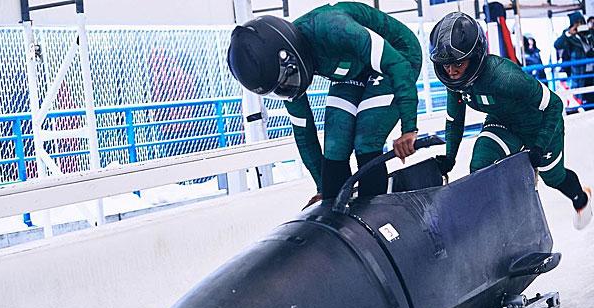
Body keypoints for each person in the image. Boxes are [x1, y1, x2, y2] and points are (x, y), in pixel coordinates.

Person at [227, 2, 422, 207]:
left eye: (286, 81)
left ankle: (374, 211)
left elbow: (397, 65)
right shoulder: (285, 71)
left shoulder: (335, 29)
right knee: (335, 145)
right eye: (278, 88)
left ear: (288, 55)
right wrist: (324, 188)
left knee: (366, 139)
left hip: (397, 56)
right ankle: (338, 211)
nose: (287, 88)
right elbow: (304, 132)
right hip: (351, 68)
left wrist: (409, 128)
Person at [429, 12, 592, 229]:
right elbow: (455, 120)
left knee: (553, 177)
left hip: (538, 125)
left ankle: (581, 198)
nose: (451, 70)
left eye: (458, 62)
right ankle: (495, 228)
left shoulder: (505, 77)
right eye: (446, 64)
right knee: (480, 165)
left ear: (475, 55)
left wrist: (539, 144)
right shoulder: (454, 82)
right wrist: (450, 157)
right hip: (502, 123)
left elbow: (554, 104)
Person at [554, 11, 594, 105]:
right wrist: (568, 33)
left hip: (591, 72)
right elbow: (557, 45)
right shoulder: (568, 36)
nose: (579, 25)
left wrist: (590, 31)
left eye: (581, 22)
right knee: (580, 97)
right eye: (577, 23)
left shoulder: (588, 34)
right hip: (579, 72)